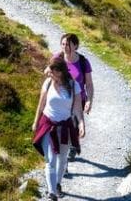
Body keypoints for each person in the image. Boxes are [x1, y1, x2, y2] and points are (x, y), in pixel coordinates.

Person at [32, 55, 85, 201]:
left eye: (52, 70)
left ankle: (57, 184)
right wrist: (36, 122)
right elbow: (41, 104)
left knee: (62, 159)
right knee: (51, 159)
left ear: (60, 72)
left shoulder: (74, 86)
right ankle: (52, 193)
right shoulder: (48, 83)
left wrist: (81, 124)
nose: (49, 72)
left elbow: (77, 109)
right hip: (48, 124)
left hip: (66, 127)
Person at [55, 33, 94, 160]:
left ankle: (72, 146)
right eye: (63, 44)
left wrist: (89, 100)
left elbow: (89, 84)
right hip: (61, 101)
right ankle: (65, 157)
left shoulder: (83, 62)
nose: (65, 47)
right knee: (63, 129)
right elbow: (49, 73)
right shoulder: (57, 59)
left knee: (74, 126)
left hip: (78, 100)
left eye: (68, 44)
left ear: (75, 45)